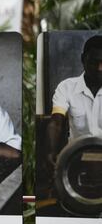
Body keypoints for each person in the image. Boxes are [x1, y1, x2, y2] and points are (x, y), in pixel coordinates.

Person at [46, 35, 102, 175]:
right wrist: (52, 151)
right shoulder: (66, 88)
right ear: (83, 59)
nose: (100, 68)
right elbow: (56, 122)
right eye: (94, 62)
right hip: (76, 159)